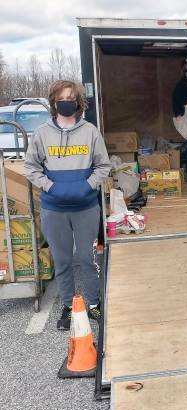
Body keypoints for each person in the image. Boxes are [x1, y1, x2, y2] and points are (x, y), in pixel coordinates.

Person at [24, 80, 111, 330]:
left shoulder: (90, 131)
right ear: (53, 102)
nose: (66, 102)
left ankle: (93, 305)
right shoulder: (42, 133)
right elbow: (30, 167)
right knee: (62, 260)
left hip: (86, 208)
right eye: (62, 98)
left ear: (78, 102)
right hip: (54, 209)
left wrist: (88, 185)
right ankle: (69, 305)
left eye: (71, 97)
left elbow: (103, 166)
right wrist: (52, 187)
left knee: (87, 258)